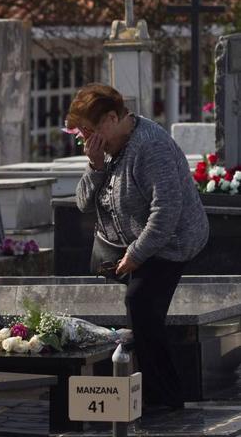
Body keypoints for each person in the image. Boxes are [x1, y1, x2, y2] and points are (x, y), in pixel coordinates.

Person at [67, 83, 209, 411]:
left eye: (89, 130)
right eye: (82, 132)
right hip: (131, 240)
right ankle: (151, 390)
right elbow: (83, 203)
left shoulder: (150, 147)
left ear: (112, 118)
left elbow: (167, 211)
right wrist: (96, 166)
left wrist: (137, 254)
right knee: (141, 310)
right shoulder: (107, 148)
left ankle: (165, 398)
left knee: (141, 303)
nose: (86, 139)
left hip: (172, 241)